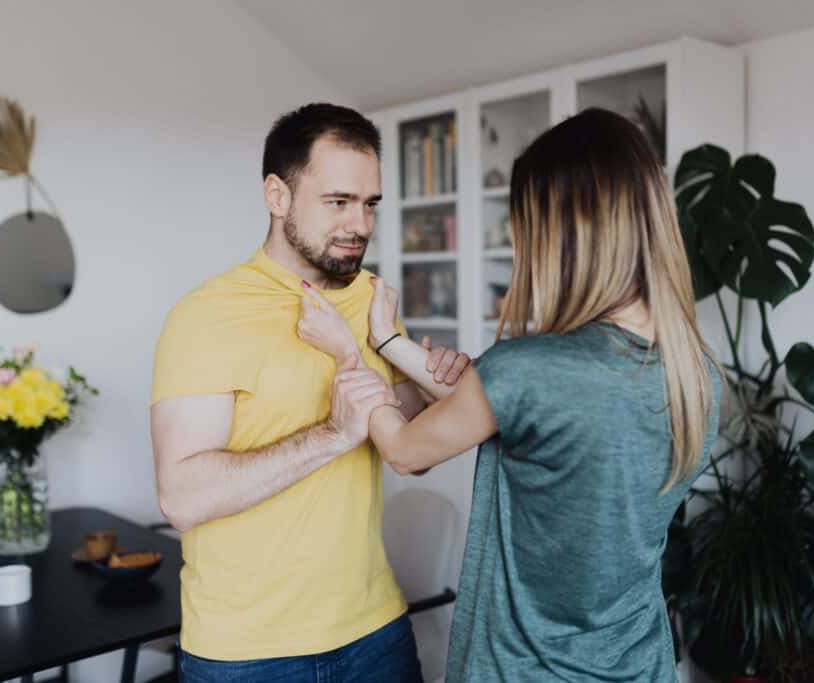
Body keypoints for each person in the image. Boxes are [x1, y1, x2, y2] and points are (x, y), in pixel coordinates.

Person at [297, 107, 724, 682]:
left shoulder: (530, 369)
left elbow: (404, 448)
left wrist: (347, 349)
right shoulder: (695, 373)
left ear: (562, 231)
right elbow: (505, 405)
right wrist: (390, 341)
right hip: (638, 666)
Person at [149, 103, 470, 682]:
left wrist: (413, 363)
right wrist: (332, 433)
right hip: (248, 655)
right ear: (278, 196)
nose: (361, 225)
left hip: (376, 632)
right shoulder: (209, 315)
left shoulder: (370, 298)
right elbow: (182, 497)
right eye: (338, 202)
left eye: (370, 204)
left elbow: (412, 453)